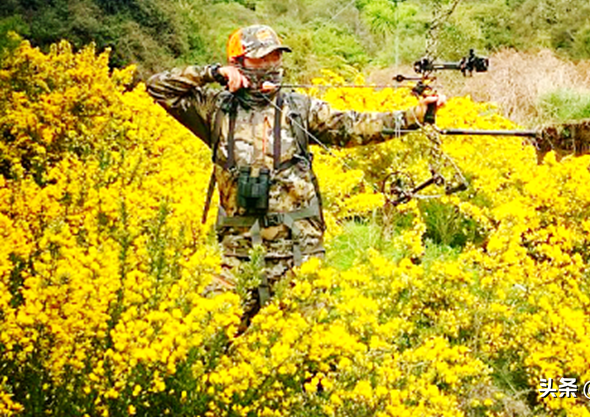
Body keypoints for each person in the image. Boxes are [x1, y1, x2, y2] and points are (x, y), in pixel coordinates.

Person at [147, 24, 444, 328]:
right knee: (208, 332)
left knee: (308, 352)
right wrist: (211, 73)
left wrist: (416, 115)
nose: (270, 67)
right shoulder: (215, 110)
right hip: (240, 256)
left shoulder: (300, 108)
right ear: (237, 64)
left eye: (275, 58)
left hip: (298, 257)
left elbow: (354, 125)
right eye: (260, 60)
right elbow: (158, 87)